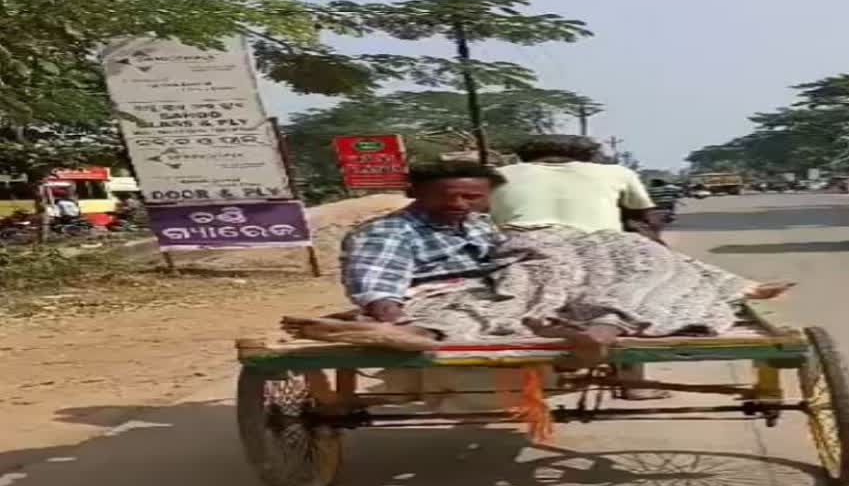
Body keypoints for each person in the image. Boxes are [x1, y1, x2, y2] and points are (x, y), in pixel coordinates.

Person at [284, 161, 793, 367]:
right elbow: (376, 279)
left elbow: (509, 248)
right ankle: (423, 334)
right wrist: (388, 315)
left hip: (504, 275)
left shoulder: (476, 226)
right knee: (548, 268)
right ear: (413, 193)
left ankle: (716, 287)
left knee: (634, 253)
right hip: (451, 295)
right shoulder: (389, 231)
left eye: (473, 197)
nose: (462, 204)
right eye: (450, 196)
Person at [489, 135, 658, 234]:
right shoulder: (619, 172)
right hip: (600, 246)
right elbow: (643, 219)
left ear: (523, 157)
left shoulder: (498, 174)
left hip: (517, 245)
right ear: (590, 156)